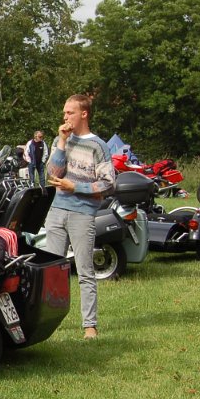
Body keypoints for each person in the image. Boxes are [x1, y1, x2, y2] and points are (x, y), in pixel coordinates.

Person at [42, 94, 115, 340]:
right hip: (56, 211)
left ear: (84, 114)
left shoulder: (99, 146)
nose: (65, 117)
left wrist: (77, 187)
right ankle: (47, 322)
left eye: (70, 113)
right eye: (64, 113)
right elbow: (51, 174)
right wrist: (62, 142)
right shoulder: (59, 140)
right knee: (51, 270)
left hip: (83, 213)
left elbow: (108, 183)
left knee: (84, 270)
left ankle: (89, 326)